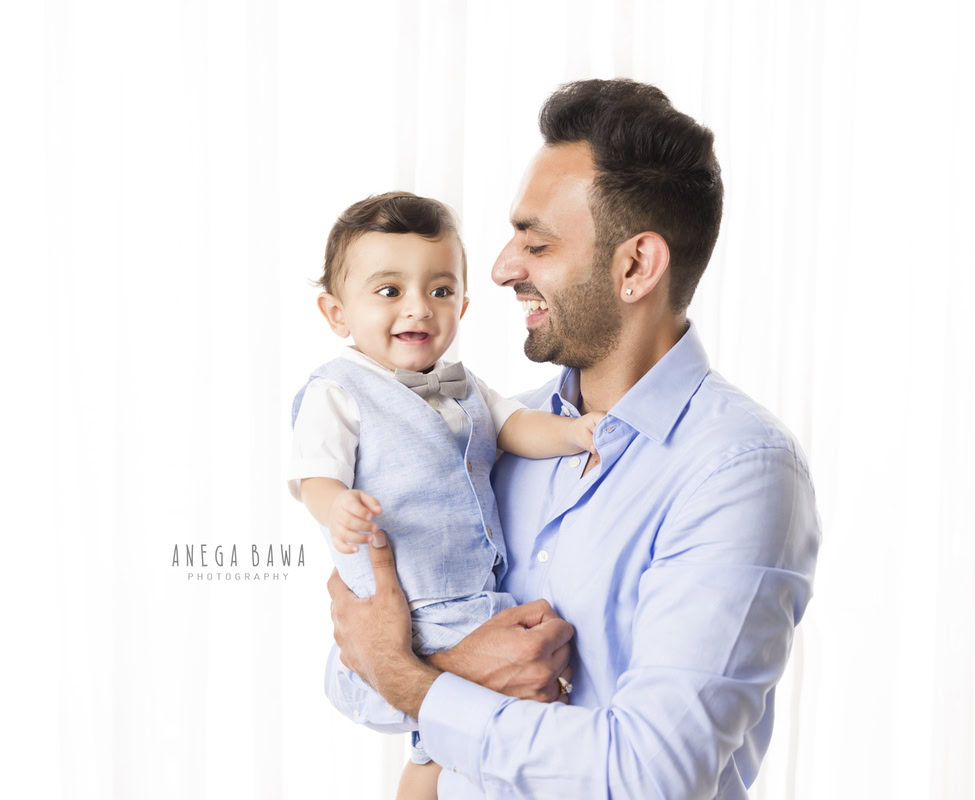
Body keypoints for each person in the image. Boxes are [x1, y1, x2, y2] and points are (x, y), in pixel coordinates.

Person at [325, 79, 822, 799]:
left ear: (635, 267)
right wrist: (451, 669)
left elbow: (649, 776)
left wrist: (413, 679)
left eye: (537, 243)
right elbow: (351, 672)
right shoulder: (478, 438)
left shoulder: (738, 472)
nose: (499, 269)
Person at [287, 191, 602, 798]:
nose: (419, 308)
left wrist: (572, 432)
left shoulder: (463, 387)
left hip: (478, 593)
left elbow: (513, 427)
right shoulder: (340, 390)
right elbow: (314, 475)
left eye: (439, 290)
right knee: (464, 720)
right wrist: (338, 508)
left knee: (459, 735)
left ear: (463, 302)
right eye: (389, 291)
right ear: (336, 314)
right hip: (415, 602)